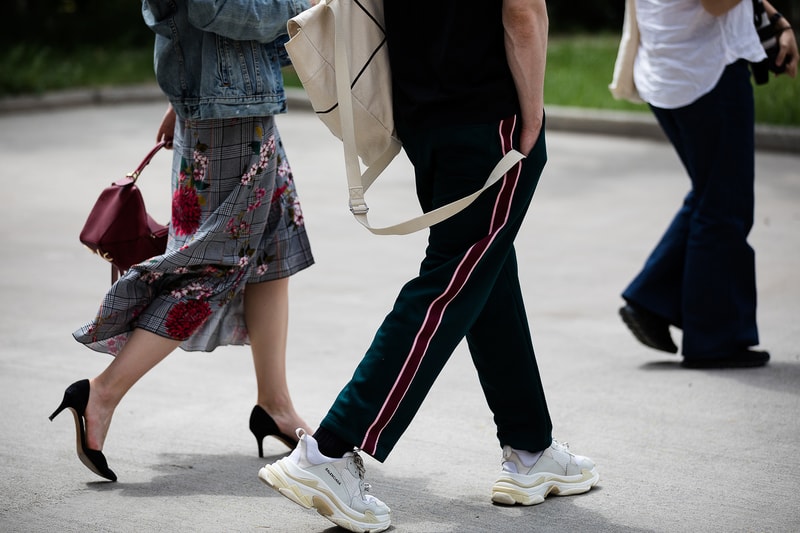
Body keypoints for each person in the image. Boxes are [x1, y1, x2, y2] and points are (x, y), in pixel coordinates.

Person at [257, 1, 599, 531]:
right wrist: (533, 114)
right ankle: (328, 451)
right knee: (449, 284)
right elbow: (522, 11)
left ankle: (531, 447)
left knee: (482, 271)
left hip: (424, 113)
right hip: (489, 112)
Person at [49, 0, 318, 482]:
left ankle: (275, 404)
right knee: (209, 267)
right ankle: (103, 392)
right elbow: (215, 7)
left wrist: (184, 96)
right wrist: (304, 8)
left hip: (229, 97)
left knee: (271, 248)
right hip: (229, 108)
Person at [618, 0, 798, 369]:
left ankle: (651, 299)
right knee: (722, 205)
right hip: (703, 73)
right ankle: (714, 341)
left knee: (713, 193)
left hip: (671, 65)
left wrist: (774, 18)